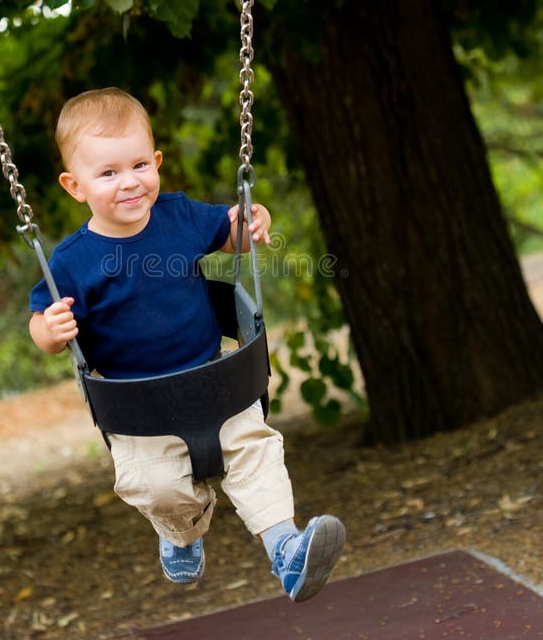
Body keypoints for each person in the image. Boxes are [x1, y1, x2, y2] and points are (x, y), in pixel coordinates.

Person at [29, 87, 346, 602]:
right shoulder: (70, 262)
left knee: (256, 454)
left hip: (215, 378)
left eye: (138, 165)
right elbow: (40, 322)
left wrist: (250, 221)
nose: (129, 182)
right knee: (157, 486)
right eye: (108, 173)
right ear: (75, 186)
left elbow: (231, 236)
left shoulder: (178, 216)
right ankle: (179, 534)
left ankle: (286, 551)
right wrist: (50, 329)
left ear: (156, 162)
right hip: (138, 407)